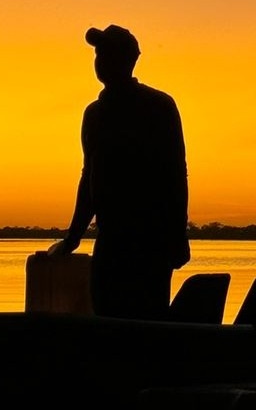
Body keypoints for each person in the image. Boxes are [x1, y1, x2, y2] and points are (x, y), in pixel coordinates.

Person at [49, 25, 190, 319]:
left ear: (128, 60)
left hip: (152, 241)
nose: (100, 61)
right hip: (110, 240)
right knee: (105, 315)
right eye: (98, 54)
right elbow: (89, 176)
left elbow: (175, 175)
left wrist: (177, 237)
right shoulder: (94, 113)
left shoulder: (159, 106)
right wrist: (73, 237)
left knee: (147, 320)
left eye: (107, 54)